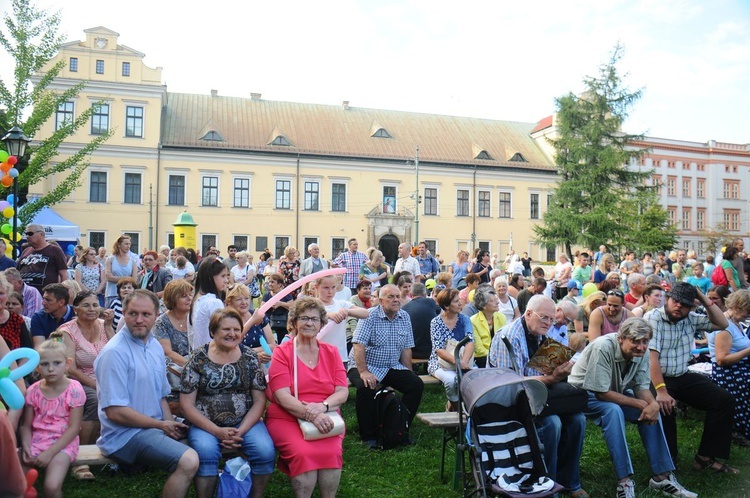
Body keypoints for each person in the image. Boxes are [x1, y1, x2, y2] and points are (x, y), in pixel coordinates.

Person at [568, 318, 697, 498]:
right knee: (613, 411)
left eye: (645, 342)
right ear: (621, 338)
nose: (641, 347)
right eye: (635, 341)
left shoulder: (642, 352)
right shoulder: (603, 346)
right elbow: (601, 393)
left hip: (614, 391)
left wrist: (652, 405)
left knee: (652, 411)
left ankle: (662, 476)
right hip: (582, 393)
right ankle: (624, 482)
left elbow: (641, 387)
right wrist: (641, 403)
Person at [95, 290, 199, 496]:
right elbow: (115, 412)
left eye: (146, 314)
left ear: (157, 315)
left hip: (153, 427)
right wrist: (161, 425)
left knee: (204, 439)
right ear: (123, 313)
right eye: (133, 314)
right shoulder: (114, 353)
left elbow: (160, 395)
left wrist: (170, 427)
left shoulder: (153, 346)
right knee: (189, 461)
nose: (139, 320)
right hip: (123, 437)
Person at [487, 295, 587, 498]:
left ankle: (569, 481)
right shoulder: (508, 337)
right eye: (544, 318)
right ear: (529, 314)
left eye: (551, 319)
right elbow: (510, 384)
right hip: (510, 402)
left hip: (537, 396)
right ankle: (547, 484)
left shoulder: (540, 332)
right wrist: (552, 377)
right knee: (552, 424)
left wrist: (560, 370)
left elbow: (539, 371)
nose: (549, 323)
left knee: (578, 419)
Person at [179, 308, 275, 498]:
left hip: (244, 422)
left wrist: (241, 430)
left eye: (236, 329)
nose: (232, 334)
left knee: (264, 451)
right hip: (205, 423)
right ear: (213, 332)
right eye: (226, 329)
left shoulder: (249, 357)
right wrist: (216, 431)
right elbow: (186, 404)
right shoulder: (198, 359)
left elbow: (259, 401)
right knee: (206, 453)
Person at [645, 282, 737, 472]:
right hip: (656, 377)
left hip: (682, 374)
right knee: (665, 407)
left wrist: (702, 296)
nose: (679, 306)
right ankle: (669, 462)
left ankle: (705, 457)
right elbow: (651, 358)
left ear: (691, 306)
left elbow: (723, 323)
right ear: (668, 299)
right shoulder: (653, 318)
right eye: (676, 301)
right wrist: (661, 391)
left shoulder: (691, 319)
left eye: (685, 304)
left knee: (723, 400)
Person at [266, 297, 349, 497]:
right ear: (294, 322)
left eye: (314, 319)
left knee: (332, 452)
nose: (309, 323)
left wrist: (323, 407)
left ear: (322, 323)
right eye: (304, 318)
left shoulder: (331, 352)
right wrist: (312, 414)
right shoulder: (282, 353)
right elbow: (281, 395)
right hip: (287, 416)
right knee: (304, 453)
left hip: (326, 413)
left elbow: (342, 391)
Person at [348, 284, 424, 447]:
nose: (396, 300)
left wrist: (408, 373)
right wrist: (364, 372)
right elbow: (358, 345)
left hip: (391, 365)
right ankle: (369, 436)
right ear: (381, 301)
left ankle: (399, 427)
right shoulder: (369, 316)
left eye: (398, 296)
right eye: (391, 297)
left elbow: (406, 348)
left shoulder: (405, 317)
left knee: (415, 384)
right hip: (364, 365)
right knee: (366, 386)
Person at [19, 331, 86, 497]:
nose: (50, 369)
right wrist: (27, 447)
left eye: (57, 363)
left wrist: (49, 453)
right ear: (37, 367)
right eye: (44, 364)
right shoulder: (33, 390)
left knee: (51, 487)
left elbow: (74, 428)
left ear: (67, 363)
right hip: (36, 440)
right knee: (15, 482)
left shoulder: (74, 389)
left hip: (63, 443)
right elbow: (25, 425)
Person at [708, 290, 750, 447]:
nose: (748, 315)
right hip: (729, 374)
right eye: (748, 311)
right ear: (738, 307)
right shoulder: (725, 327)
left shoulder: (735, 323)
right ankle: (737, 433)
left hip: (739, 370)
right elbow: (722, 359)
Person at [428, 289, 474, 410]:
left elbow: (470, 342)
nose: (460, 303)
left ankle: (453, 409)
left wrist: (463, 362)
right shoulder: (436, 322)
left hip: (464, 360)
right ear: (446, 306)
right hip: (440, 363)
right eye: (456, 301)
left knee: (474, 379)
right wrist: (458, 363)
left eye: (459, 300)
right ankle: (458, 410)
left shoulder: (465, 319)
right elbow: (438, 349)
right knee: (450, 380)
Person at [154, 279, 194, 404]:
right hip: (175, 374)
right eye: (183, 296)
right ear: (172, 299)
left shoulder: (196, 317)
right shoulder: (162, 322)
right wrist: (193, 366)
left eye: (190, 295)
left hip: (196, 369)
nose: (189, 298)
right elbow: (168, 352)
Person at [315, 274, 368, 365]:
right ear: (316, 287)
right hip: (317, 356)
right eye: (326, 288)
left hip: (339, 356)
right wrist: (328, 315)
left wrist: (347, 311)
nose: (330, 291)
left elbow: (365, 313)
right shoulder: (312, 305)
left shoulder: (342, 304)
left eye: (333, 287)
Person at [225, 282, 276, 365]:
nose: (244, 302)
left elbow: (273, 345)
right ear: (230, 302)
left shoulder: (259, 316)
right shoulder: (228, 321)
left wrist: (249, 352)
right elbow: (232, 349)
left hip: (263, 367)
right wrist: (255, 354)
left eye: (247, 298)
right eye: (239, 299)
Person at [189, 256, 229, 350]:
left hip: (199, 355)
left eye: (227, 276)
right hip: (212, 356)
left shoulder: (197, 300)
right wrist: (253, 320)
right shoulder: (213, 303)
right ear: (211, 278)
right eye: (222, 276)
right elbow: (228, 335)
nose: (226, 280)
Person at [16, 224, 69, 293]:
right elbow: (17, 272)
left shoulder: (54, 250)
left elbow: (63, 274)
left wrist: (62, 293)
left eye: (30, 233)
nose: (27, 236)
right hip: (25, 294)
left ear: (41, 234)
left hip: (46, 295)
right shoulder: (26, 251)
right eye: (26, 234)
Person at [470, 285, 506, 368]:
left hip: (500, 357)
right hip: (482, 359)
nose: (497, 302)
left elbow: (505, 341)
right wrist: (495, 357)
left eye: (496, 299)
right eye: (492, 301)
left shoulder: (502, 317)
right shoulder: (473, 321)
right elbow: (479, 350)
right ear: (483, 305)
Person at [402, 283, 440, 360]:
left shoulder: (404, 308)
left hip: (411, 352)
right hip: (432, 350)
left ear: (411, 294)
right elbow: (439, 310)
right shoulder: (431, 302)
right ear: (425, 294)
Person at [0, 272, 32, 352]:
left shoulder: (17, 320)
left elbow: (26, 351)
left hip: (18, 364)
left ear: (7, 295)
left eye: (1, 293)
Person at [104, 235, 138, 308]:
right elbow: (108, 277)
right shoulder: (110, 259)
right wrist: (127, 278)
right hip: (111, 293)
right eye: (126, 244)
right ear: (119, 245)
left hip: (127, 294)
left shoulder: (132, 261)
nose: (128, 246)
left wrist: (116, 278)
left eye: (129, 244)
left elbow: (134, 280)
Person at [263, 273, 294, 343]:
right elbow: (262, 308)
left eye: (272, 282)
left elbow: (293, 306)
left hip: (283, 324)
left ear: (280, 285)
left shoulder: (286, 294)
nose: (270, 284)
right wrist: (270, 304)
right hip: (269, 323)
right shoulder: (267, 295)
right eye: (269, 282)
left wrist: (281, 304)